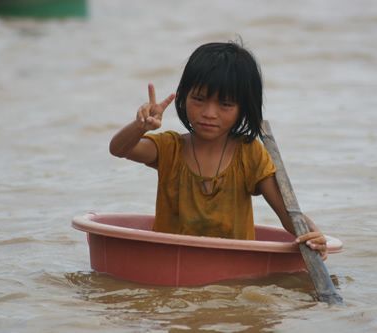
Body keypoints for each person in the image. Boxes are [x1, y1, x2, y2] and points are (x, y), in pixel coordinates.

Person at [109, 42, 328, 260]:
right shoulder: (170, 148)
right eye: (199, 99)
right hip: (172, 262)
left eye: (225, 104)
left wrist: (313, 234)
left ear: (243, 108)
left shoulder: (249, 154)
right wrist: (140, 126)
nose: (209, 113)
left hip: (232, 269)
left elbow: (288, 213)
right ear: (184, 97)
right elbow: (119, 149)